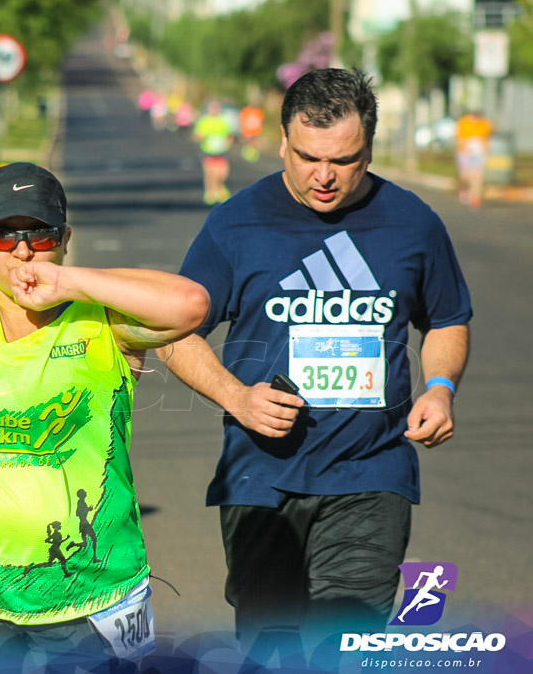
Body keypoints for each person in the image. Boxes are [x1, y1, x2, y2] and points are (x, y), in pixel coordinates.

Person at [0, 6, 209, 669]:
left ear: (63, 238)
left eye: (40, 234)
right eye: (4, 234)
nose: (22, 250)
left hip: (96, 594)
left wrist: (70, 281)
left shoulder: (101, 317)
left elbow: (189, 304)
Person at [162, 68, 472, 651]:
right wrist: (237, 397)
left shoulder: (413, 224)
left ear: (369, 149)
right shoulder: (235, 224)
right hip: (260, 476)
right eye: (307, 157)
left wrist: (439, 386)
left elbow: (448, 317)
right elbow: (178, 333)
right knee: (271, 649)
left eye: (345, 160)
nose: (324, 176)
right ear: (281, 141)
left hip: (371, 473)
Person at [193, 100, 234, 204]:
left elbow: (229, 134)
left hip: (220, 151)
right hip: (208, 151)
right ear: (209, 109)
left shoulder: (223, 121)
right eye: (213, 108)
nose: (215, 110)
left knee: (222, 173)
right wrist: (201, 136)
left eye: (217, 108)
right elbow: (196, 136)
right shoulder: (204, 121)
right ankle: (210, 192)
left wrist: (228, 142)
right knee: (210, 173)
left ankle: (219, 188)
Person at [455, 110, 493, 209]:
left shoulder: (485, 123)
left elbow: (488, 138)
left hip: (478, 154)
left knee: (477, 176)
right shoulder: (464, 122)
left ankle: (475, 197)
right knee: (465, 176)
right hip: (465, 153)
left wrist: (486, 151)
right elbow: (459, 137)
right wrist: (463, 148)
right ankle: (464, 191)